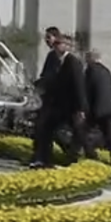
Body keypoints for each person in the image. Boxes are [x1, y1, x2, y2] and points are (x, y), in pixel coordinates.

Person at [34, 36, 89, 166]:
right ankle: (44, 159)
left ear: (67, 46)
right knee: (46, 129)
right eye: (56, 43)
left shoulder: (73, 62)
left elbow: (79, 86)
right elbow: (50, 79)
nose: (56, 45)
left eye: (59, 43)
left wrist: (81, 108)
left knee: (77, 132)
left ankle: (80, 156)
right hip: (57, 105)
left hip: (70, 106)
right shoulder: (56, 60)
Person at [29, 27, 66, 167]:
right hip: (53, 98)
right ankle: (44, 158)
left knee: (42, 129)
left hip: (51, 99)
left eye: (48, 37)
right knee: (47, 130)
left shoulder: (54, 55)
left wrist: (38, 84)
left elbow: (49, 76)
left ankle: (41, 158)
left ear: (55, 37)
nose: (46, 40)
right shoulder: (57, 55)